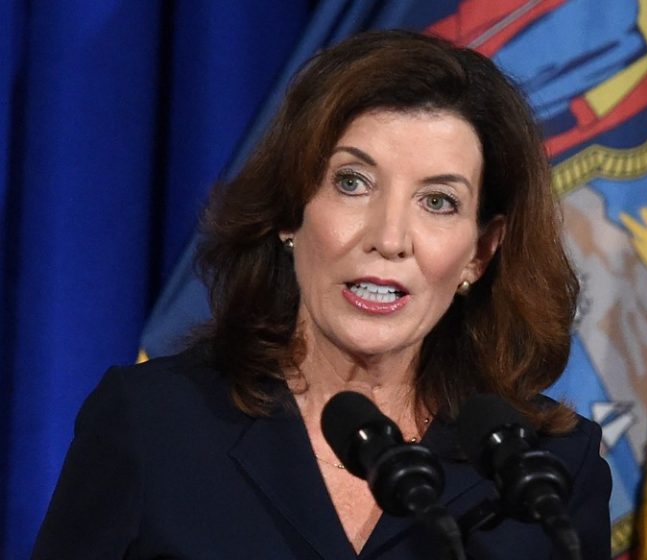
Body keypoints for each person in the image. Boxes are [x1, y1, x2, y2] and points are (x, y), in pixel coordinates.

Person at [32, 30, 611, 559]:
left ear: (480, 253)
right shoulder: (152, 422)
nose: (389, 239)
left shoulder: (543, 473)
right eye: (353, 182)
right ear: (291, 211)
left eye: (438, 201)